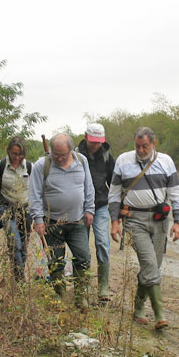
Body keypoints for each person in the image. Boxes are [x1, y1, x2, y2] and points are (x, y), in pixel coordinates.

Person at [108, 127, 179, 330]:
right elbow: (114, 194)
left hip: (160, 219)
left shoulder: (166, 162)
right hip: (134, 219)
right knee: (150, 263)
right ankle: (160, 314)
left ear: (153, 144)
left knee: (153, 266)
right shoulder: (123, 161)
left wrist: (178, 221)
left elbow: (176, 193)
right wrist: (115, 222)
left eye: (145, 146)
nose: (141, 150)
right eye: (137, 146)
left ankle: (139, 307)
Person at [28, 133, 95, 310]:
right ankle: (61, 298)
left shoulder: (82, 161)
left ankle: (81, 298)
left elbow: (89, 187)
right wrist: (38, 220)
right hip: (52, 224)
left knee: (83, 258)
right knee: (55, 262)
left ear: (71, 150)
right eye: (55, 154)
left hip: (77, 222)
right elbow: (34, 195)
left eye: (63, 155)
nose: (58, 158)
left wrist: (89, 210)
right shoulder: (42, 165)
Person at [76, 123, 116, 303]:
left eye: (98, 142)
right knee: (81, 247)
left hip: (100, 205)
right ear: (86, 137)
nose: (95, 145)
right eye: (92, 142)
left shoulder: (107, 157)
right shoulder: (75, 155)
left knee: (102, 242)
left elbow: (114, 183)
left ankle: (103, 287)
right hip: (79, 207)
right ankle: (82, 286)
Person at [0, 136, 32, 279]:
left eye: (20, 154)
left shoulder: (30, 167)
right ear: (8, 151)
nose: (17, 157)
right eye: (14, 154)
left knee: (23, 247)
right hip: (5, 209)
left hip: (25, 211)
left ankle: (17, 275)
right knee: (15, 244)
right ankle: (20, 280)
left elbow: (36, 191)